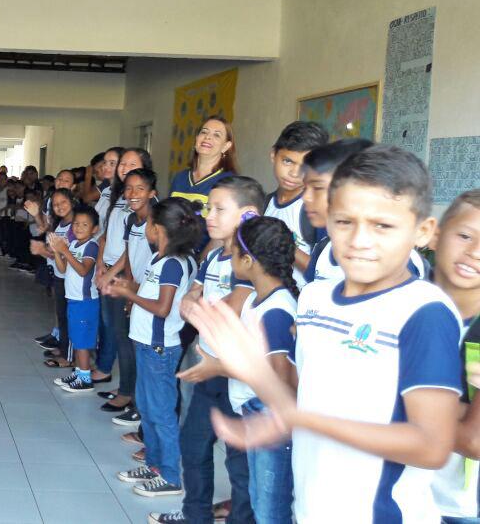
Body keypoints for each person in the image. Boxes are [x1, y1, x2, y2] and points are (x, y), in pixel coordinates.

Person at [189, 145, 462, 523]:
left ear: (422, 231)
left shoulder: (423, 310)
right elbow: (304, 397)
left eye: (383, 225)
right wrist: (253, 372)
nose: (360, 240)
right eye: (345, 222)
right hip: (313, 507)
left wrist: (303, 419)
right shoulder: (316, 297)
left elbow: (432, 446)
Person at [181, 215, 300, 523]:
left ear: (248, 260)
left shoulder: (275, 311)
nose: (229, 258)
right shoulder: (257, 301)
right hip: (249, 407)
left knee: (266, 507)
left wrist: (220, 367)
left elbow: (281, 383)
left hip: (267, 417)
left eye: (233, 253)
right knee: (250, 491)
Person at [171, 176, 264, 524]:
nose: (208, 215)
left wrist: (198, 310)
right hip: (208, 365)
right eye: (209, 207)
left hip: (236, 373)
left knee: (239, 464)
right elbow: (191, 295)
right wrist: (194, 305)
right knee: (193, 447)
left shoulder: (249, 259)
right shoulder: (213, 254)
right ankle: (195, 515)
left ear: (247, 215)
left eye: (219, 209)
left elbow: (235, 305)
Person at [107, 198, 201, 499]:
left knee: (161, 413)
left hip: (159, 347)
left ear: (158, 229)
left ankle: (170, 476)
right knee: (147, 409)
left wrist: (128, 296)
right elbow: (149, 292)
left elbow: (162, 308)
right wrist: (126, 287)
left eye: (149, 223)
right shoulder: (160, 259)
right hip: (146, 343)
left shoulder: (174, 264)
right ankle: (154, 465)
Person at [302, 138, 429, 283]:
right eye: (305, 187)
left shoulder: (398, 263)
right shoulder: (323, 249)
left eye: (318, 188)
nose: (305, 197)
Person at [427, 190, 480, 524]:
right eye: (464, 236)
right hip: (391, 489)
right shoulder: (395, 306)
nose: (475, 252)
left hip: (460, 505)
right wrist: (459, 408)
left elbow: (475, 441)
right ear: (434, 234)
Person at [94, 149, 153, 418]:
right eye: (122, 163)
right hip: (115, 272)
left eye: (132, 163)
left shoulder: (150, 207)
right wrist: (101, 267)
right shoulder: (122, 199)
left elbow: (137, 253)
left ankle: (131, 396)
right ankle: (125, 390)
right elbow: (109, 235)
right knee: (118, 333)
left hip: (132, 281)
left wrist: (125, 281)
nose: (124, 167)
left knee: (127, 337)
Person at [263, 121, 330, 287]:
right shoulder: (262, 204)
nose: (294, 173)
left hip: (299, 306)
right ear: (273, 155)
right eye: (287, 161)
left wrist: (286, 246)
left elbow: (324, 275)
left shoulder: (317, 211)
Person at [48, 206, 101, 393]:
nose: (78, 227)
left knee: (82, 341)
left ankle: (85, 378)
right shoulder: (74, 244)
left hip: (85, 302)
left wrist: (66, 251)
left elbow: (83, 270)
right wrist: (57, 251)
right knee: (76, 338)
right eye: (76, 224)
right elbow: (62, 269)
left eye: (84, 224)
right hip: (73, 299)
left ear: (94, 229)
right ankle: (79, 372)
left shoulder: (91, 245)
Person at [31, 189, 77, 367]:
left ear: (72, 201)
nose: (59, 207)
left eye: (63, 202)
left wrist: (44, 251)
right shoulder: (61, 224)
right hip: (60, 276)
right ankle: (64, 349)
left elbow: (66, 255)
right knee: (62, 315)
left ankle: (69, 357)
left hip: (70, 279)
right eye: (56, 204)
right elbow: (55, 247)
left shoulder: (76, 225)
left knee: (69, 317)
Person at [170, 115, 238, 210]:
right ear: (197, 138)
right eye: (204, 132)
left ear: (226, 146)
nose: (207, 137)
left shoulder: (229, 182)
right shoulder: (180, 178)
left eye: (216, 135)